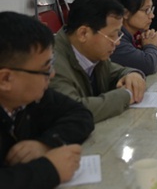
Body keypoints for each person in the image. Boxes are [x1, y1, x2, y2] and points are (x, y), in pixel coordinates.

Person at [0, 12, 94, 188]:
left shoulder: (31, 98)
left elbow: (81, 114)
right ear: (5, 79)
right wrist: (50, 169)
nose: (52, 75)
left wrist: (45, 144)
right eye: (45, 69)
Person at [50, 0, 146, 123]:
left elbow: (116, 71)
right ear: (83, 33)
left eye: (118, 35)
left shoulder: (94, 55)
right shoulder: (51, 64)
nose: (117, 42)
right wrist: (126, 95)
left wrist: (133, 74)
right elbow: (74, 110)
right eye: (112, 35)